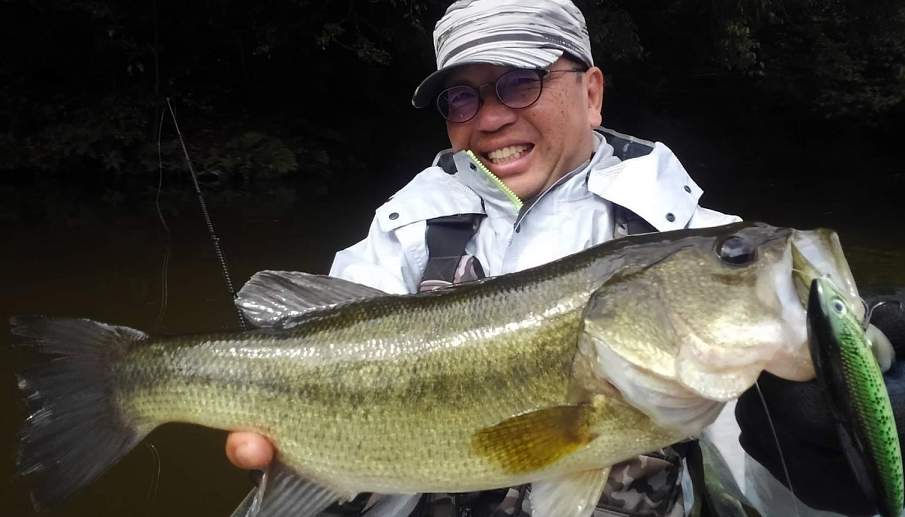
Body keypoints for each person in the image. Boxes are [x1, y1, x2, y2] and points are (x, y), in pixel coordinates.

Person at [224, 0, 905, 516]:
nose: (487, 118)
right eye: (461, 96)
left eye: (519, 81)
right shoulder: (399, 239)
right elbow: (320, 377)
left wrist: (830, 439)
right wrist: (316, 474)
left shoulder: (705, 243)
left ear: (591, 91)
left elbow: (763, 478)